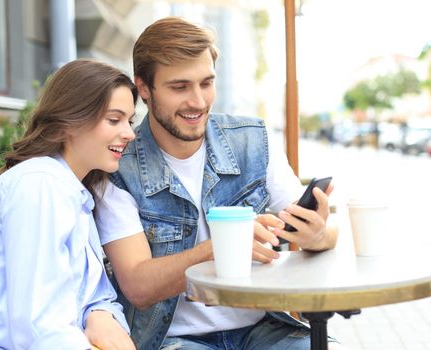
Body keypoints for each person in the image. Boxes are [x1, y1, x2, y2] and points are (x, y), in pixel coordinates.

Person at [95, 17, 340, 350]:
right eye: (179, 87)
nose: (198, 101)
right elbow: (138, 285)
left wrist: (318, 235)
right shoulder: (117, 168)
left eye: (206, 83)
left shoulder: (253, 140)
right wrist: (220, 248)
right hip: (174, 340)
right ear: (144, 89)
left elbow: (321, 234)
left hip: (264, 326)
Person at [0, 59, 137, 350]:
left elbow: (96, 297)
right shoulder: (39, 186)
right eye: (114, 119)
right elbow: (38, 328)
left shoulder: (72, 192)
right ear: (72, 121)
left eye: (129, 120)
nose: (130, 132)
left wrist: (99, 313)